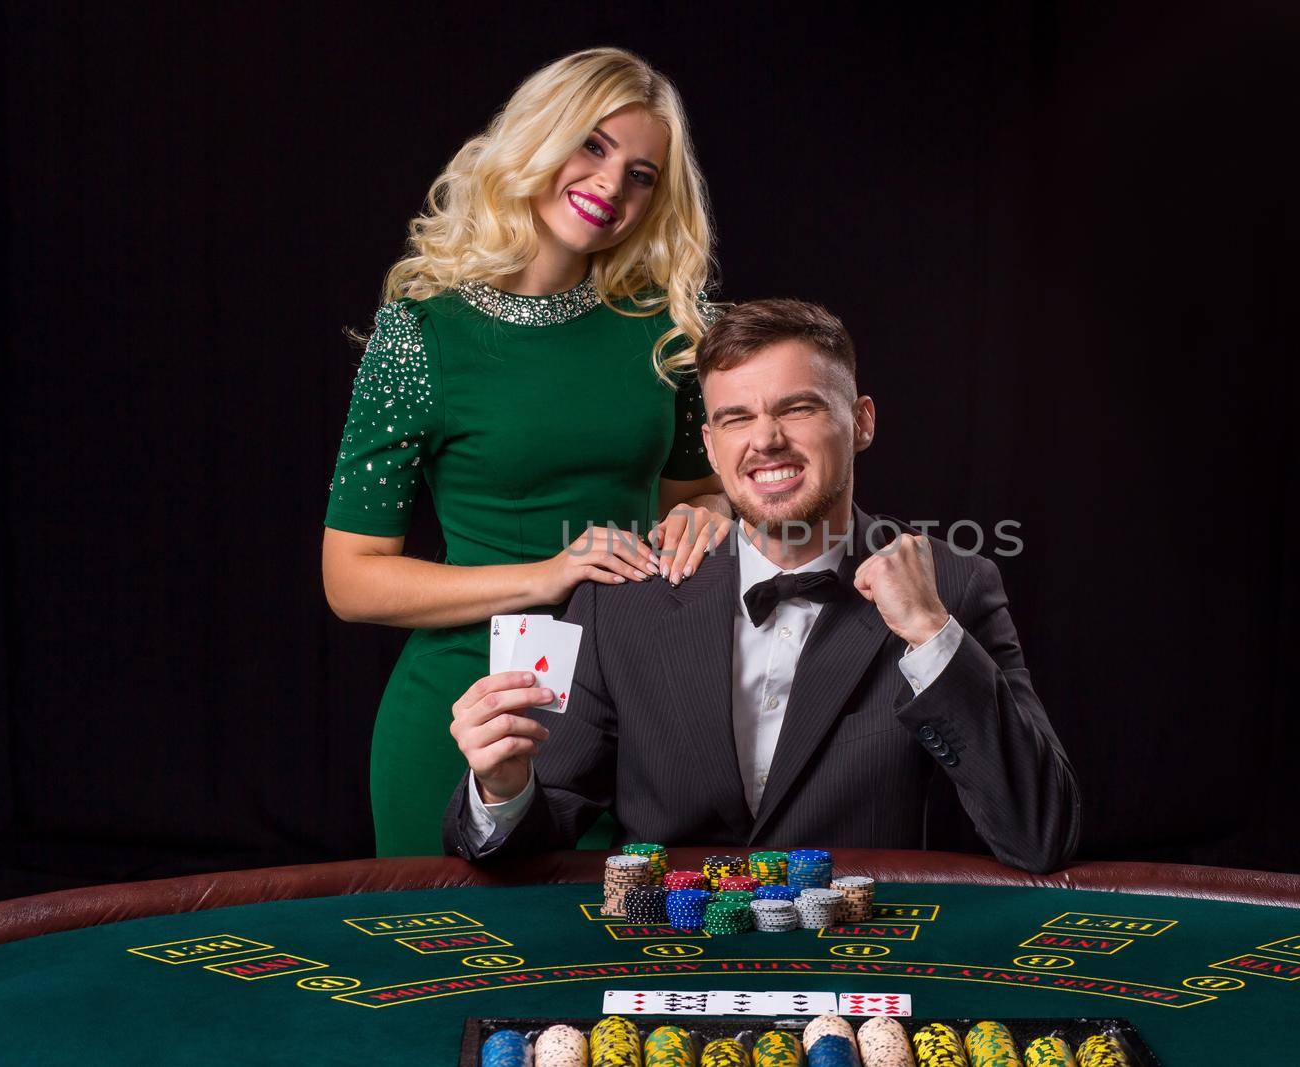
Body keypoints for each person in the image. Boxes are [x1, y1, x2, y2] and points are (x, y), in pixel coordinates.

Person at [442, 299, 1081, 873]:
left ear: (861, 422)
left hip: (863, 954)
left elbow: (1039, 836)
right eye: (736, 418)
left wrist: (930, 634)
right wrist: (501, 789)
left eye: (797, 408)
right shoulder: (623, 597)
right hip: (664, 956)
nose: (765, 440)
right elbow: (539, 834)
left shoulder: (955, 587)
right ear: (711, 448)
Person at [321, 48, 734, 858]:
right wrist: (546, 575)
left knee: (624, 967)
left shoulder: (673, 327)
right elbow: (350, 578)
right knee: (458, 980)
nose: (613, 185)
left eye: (642, 173)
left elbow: (696, 497)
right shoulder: (420, 333)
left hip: (635, 707)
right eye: (592, 145)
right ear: (536, 139)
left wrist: (710, 516)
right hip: (469, 702)